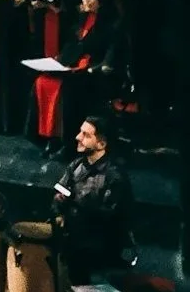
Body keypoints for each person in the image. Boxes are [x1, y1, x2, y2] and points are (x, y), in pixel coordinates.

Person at [53, 109, 135, 281]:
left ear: (101, 144)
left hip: (97, 245)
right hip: (74, 236)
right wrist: (59, 202)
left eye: (85, 135)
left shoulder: (114, 177)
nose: (77, 137)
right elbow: (60, 192)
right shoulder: (76, 165)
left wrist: (73, 204)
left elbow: (107, 219)